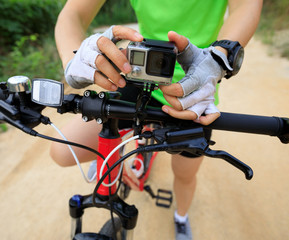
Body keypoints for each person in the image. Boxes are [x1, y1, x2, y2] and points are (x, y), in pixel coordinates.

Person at [51, 0, 263, 239]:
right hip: (137, 77)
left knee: (184, 173)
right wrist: (74, 59)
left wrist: (219, 57)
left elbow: (246, 6)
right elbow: (73, 12)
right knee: (63, 151)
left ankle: (181, 217)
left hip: (194, 87)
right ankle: (114, 154)